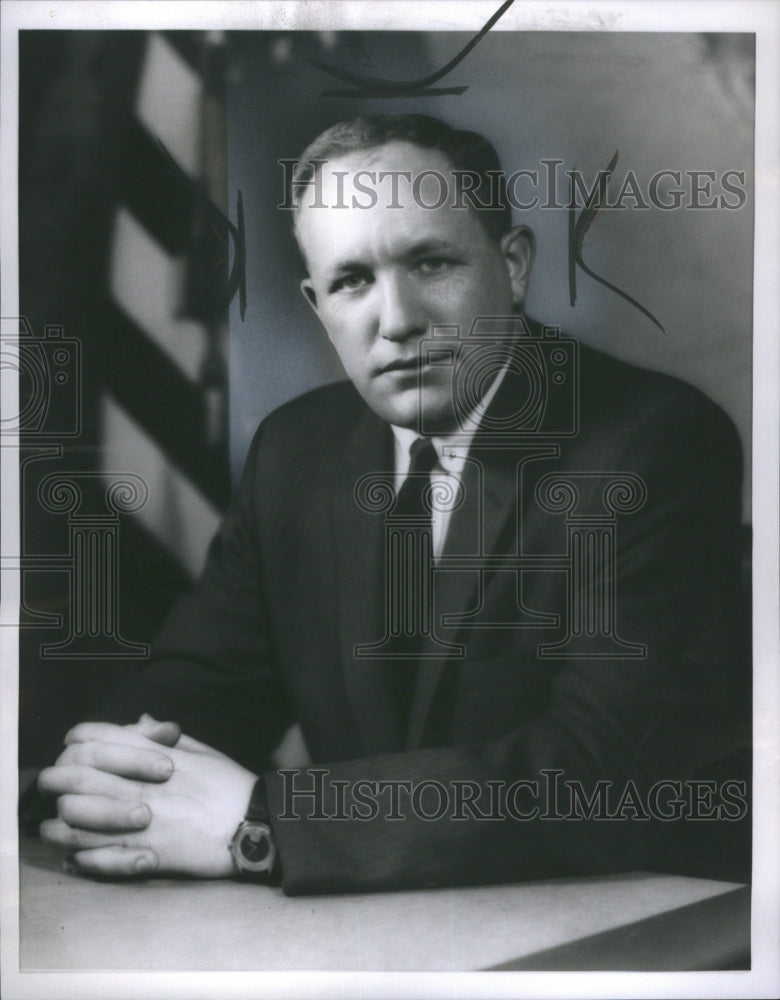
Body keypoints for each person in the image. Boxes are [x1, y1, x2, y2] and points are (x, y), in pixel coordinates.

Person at [35, 114, 747, 894]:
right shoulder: (295, 452)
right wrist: (96, 776)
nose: (398, 321)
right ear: (317, 305)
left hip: (630, 922)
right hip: (375, 928)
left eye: (432, 263)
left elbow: (604, 773)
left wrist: (262, 823)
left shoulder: (654, 441)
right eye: (352, 281)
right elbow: (204, 686)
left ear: (511, 266)